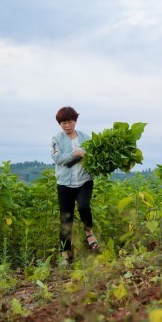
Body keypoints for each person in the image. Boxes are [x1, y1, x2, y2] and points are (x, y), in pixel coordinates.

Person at [51, 106, 99, 264]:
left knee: (84, 207)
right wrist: (75, 154)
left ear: (75, 121)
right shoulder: (57, 139)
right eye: (63, 122)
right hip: (65, 184)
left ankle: (89, 233)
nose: (67, 125)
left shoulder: (85, 138)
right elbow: (58, 158)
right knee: (66, 219)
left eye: (70, 122)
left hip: (84, 181)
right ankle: (65, 253)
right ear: (60, 124)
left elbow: (94, 155)